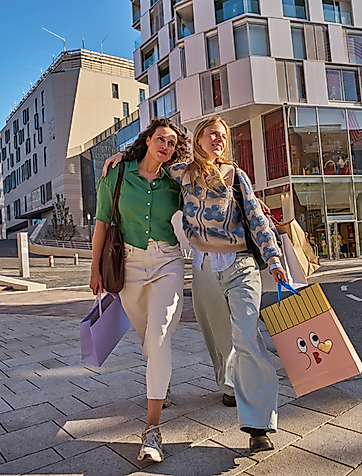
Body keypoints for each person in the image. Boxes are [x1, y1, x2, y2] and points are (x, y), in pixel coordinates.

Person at [104, 115, 287, 454]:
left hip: (239, 264)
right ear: (200, 139)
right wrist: (121, 158)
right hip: (203, 267)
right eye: (212, 134)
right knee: (216, 334)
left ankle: (259, 425)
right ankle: (229, 384)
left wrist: (274, 259)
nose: (218, 140)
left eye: (223, 136)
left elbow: (257, 220)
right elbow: (151, 160)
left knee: (247, 334)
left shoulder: (235, 176)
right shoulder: (182, 173)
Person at [89, 118, 191, 463]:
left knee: (159, 334)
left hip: (167, 261)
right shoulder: (116, 175)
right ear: (148, 140)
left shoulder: (174, 183)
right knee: (148, 338)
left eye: (172, 143)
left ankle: (152, 430)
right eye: (160, 139)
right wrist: (94, 270)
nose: (166, 146)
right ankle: (161, 381)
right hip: (127, 266)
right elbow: (103, 222)